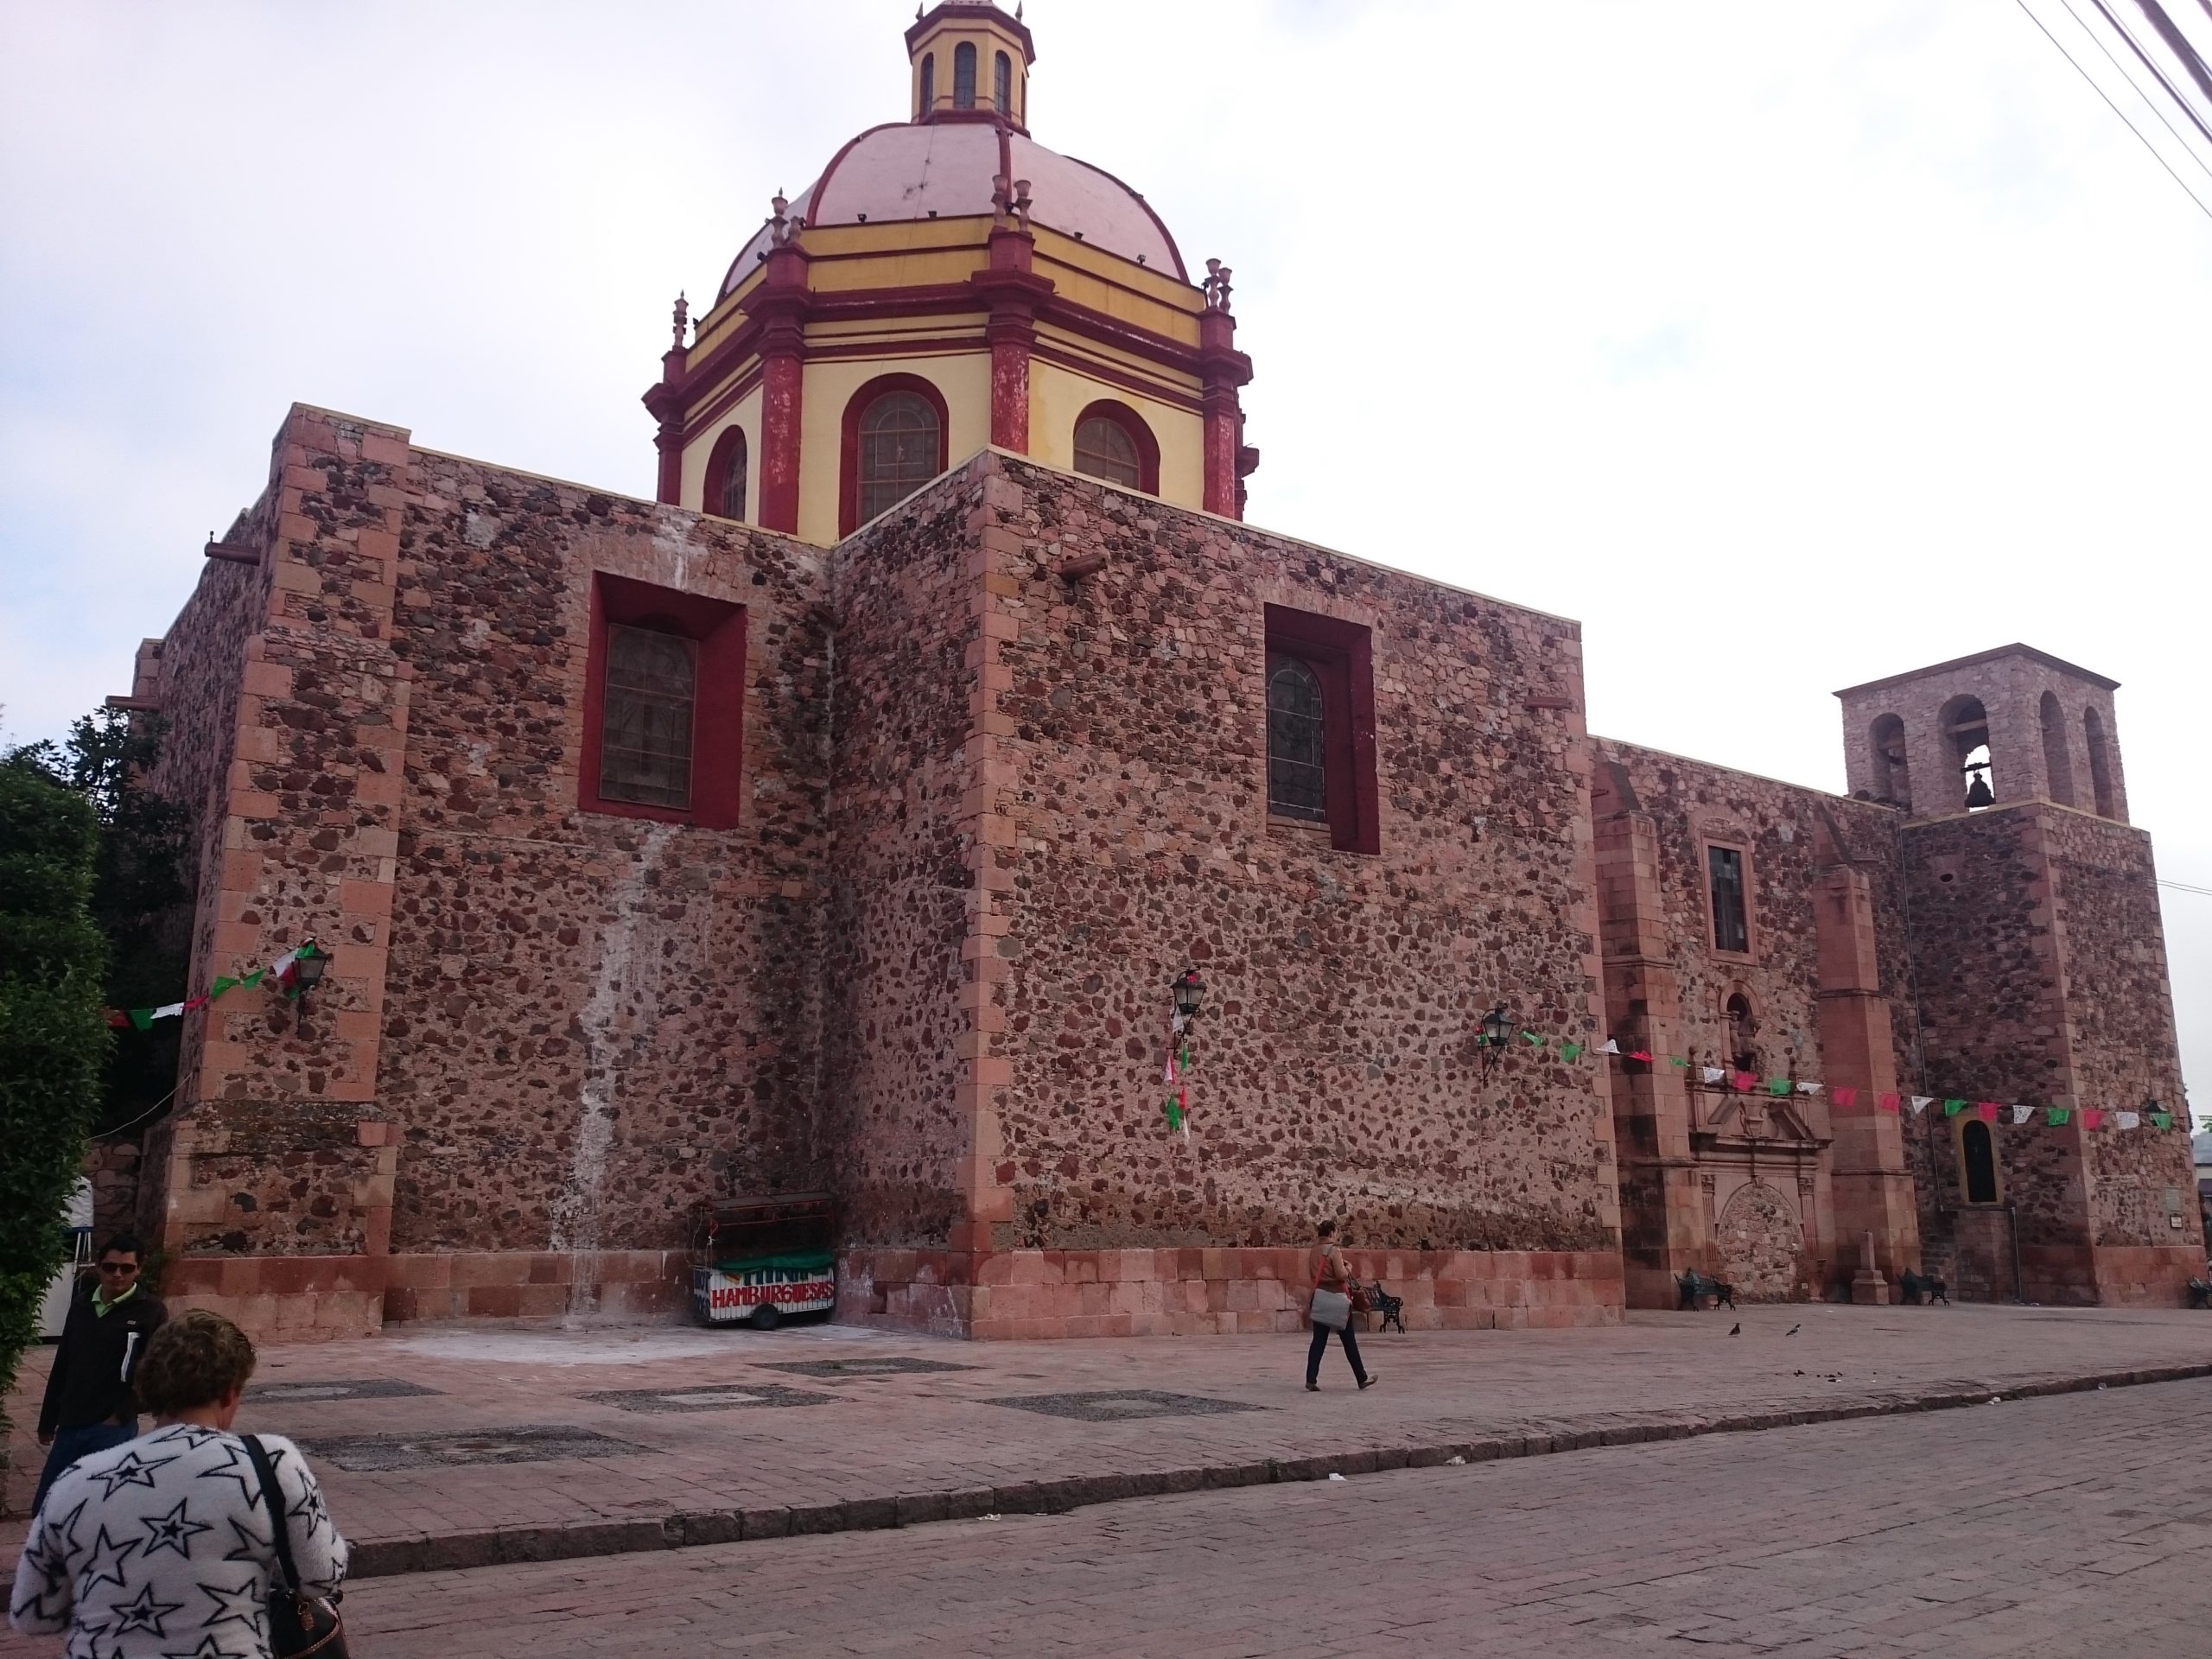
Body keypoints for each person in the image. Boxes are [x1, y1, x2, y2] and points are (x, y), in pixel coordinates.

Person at [10, 1308, 350, 1656]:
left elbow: (33, 1614)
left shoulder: (78, 1478)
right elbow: (321, 1577)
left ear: (149, 1387)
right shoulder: (270, 1461)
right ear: (231, 1393)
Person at [31, 1231, 166, 1515]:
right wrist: (48, 1419)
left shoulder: (150, 1311)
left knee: (100, 1507)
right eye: (110, 1267)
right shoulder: (81, 1305)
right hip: (72, 1421)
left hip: (113, 1426)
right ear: (98, 1266)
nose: (117, 1274)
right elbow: (64, 1362)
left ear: (138, 1270)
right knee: (49, 1504)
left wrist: (121, 1413)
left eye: (126, 1268)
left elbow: (154, 1369)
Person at [1306, 1218, 1376, 1392]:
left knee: (1318, 1340)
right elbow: (1341, 1275)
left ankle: (1311, 1379)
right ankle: (1361, 1377)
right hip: (1337, 1299)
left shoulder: (1314, 1251)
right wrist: (1349, 1267)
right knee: (1348, 1340)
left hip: (1321, 1298)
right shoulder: (1333, 1250)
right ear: (1331, 1233)